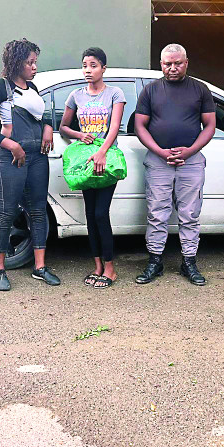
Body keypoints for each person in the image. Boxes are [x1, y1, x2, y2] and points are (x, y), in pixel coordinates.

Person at [0, 38, 60, 291]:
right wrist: (10, 144)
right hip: (12, 157)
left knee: (37, 210)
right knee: (7, 210)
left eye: (35, 62)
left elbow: (43, 114)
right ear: (16, 62)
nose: (34, 67)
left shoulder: (32, 87)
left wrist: (48, 127)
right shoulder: (0, 88)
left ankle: (40, 267)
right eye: (29, 62)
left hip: (37, 156)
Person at [134, 43, 216, 286]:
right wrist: (159, 151)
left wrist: (190, 151)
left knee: (190, 214)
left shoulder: (200, 89)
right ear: (160, 64)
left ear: (186, 62)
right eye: (167, 64)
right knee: (156, 213)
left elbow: (210, 126)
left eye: (177, 63)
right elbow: (140, 126)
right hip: (158, 162)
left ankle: (189, 261)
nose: (172, 68)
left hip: (191, 162)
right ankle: (155, 261)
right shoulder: (150, 90)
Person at [59, 47, 126, 289]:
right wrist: (79, 134)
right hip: (85, 162)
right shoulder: (75, 96)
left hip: (106, 160)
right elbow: (64, 126)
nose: (88, 70)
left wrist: (102, 152)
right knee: (89, 215)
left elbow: (115, 127)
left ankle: (110, 268)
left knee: (100, 214)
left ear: (103, 68)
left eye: (94, 65)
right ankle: (97, 265)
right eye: (85, 65)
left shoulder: (115, 94)